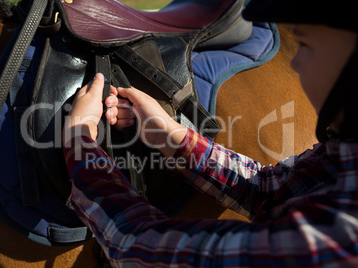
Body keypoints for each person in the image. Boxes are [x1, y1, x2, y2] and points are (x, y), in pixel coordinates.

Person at [63, 0, 358, 266]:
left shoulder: (341, 236)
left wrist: (81, 145)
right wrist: (172, 134)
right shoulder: (345, 159)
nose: (295, 61)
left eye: (305, 45)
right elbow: (267, 189)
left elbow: (143, 249)